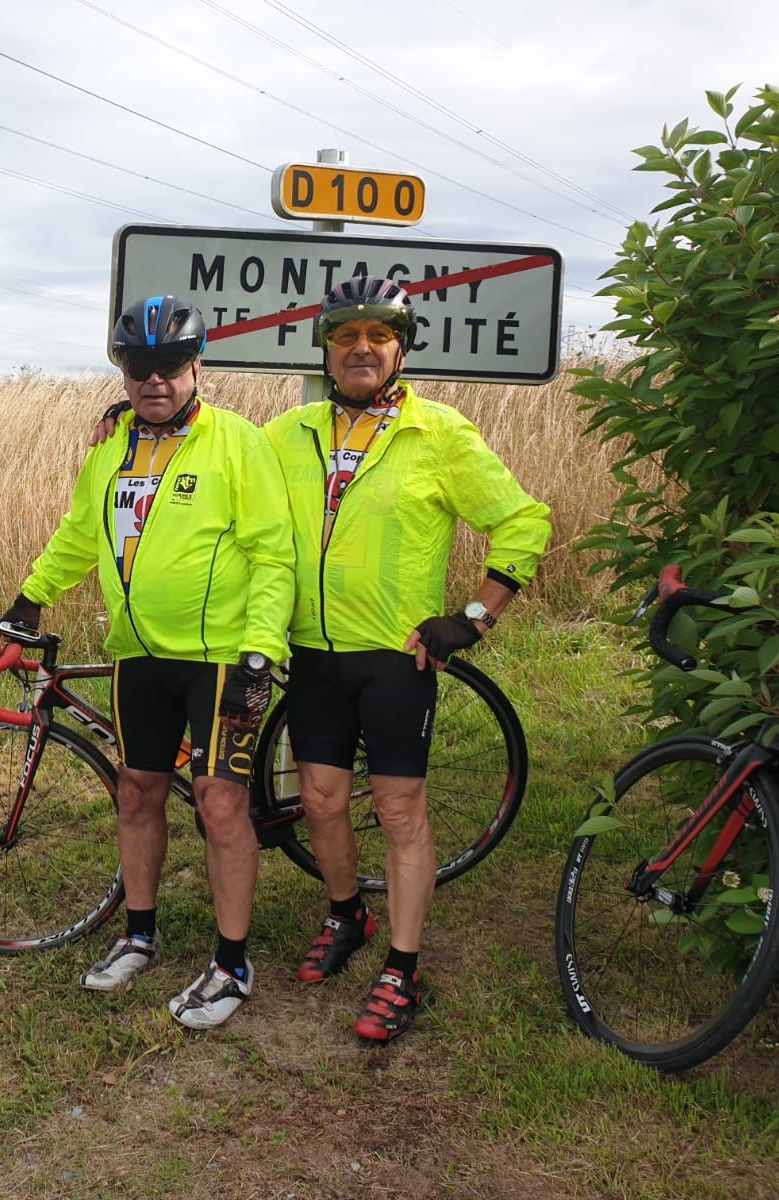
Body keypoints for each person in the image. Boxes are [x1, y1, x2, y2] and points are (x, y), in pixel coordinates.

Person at [265, 275, 551, 1042]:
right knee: (320, 800)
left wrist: (475, 616)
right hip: (312, 652)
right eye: (345, 336)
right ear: (326, 350)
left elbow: (524, 520)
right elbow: (215, 459)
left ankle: (403, 965)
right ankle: (346, 915)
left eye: (378, 336)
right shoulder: (288, 435)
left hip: (397, 658)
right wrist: (131, 421)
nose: (361, 348)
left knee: (398, 810)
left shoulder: (440, 434)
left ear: (401, 350)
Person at [5, 295, 295, 1030]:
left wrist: (262, 646)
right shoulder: (112, 448)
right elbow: (80, 534)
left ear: (196, 367)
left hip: (221, 656)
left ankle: (232, 963)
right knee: (137, 792)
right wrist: (32, 596)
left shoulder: (238, 443)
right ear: (124, 372)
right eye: (139, 365)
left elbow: (272, 553)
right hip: (138, 654)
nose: (154, 378)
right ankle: (139, 933)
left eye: (169, 364)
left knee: (221, 802)